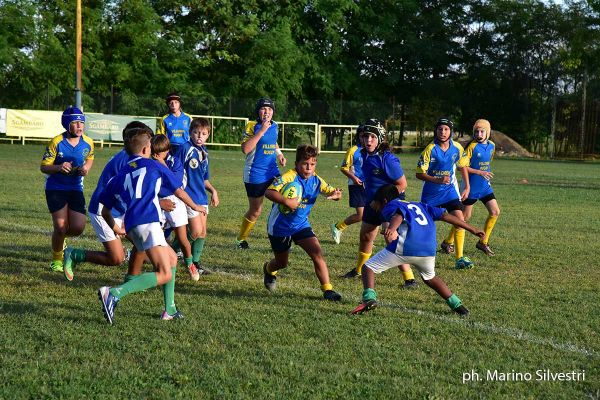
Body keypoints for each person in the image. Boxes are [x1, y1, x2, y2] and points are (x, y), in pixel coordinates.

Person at [97, 128, 206, 323]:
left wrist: (116, 229)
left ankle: (169, 310)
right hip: (148, 221)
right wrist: (195, 206)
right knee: (164, 273)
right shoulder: (154, 165)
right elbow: (178, 190)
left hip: (131, 225)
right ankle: (114, 293)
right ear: (147, 149)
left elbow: (105, 211)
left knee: (172, 259)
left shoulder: (121, 173)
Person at [351, 185, 485, 316]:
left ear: (384, 201)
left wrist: (391, 228)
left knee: (368, 267)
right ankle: (458, 305)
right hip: (428, 250)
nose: (373, 203)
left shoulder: (390, 206)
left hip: (406, 247)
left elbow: (399, 214)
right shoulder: (421, 205)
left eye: (375, 201)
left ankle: (369, 299)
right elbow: (445, 216)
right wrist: (472, 229)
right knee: (430, 278)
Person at [62, 121, 150, 281]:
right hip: (104, 211)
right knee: (116, 258)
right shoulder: (129, 161)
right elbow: (126, 192)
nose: (150, 147)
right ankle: (74, 254)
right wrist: (120, 223)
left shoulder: (132, 157)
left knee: (144, 243)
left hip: (118, 209)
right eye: (148, 142)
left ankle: (131, 279)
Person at [341, 119, 418, 289]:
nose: (368, 140)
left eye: (372, 137)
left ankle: (410, 279)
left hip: (389, 204)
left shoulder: (388, 159)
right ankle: (360, 269)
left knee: (391, 238)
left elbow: (402, 185)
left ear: (380, 138)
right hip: (372, 202)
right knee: (366, 236)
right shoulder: (362, 154)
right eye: (365, 136)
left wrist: (381, 201)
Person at [263, 144, 343, 301]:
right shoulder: (289, 177)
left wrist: (337, 194)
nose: (308, 168)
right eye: (305, 164)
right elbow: (269, 191)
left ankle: (328, 290)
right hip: (280, 226)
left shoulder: (316, 180)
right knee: (281, 262)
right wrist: (287, 201)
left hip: (300, 225)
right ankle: (268, 269)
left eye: (312, 164)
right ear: (297, 164)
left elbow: (333, 191)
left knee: (317, 253)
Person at [40, 106, 94, 272]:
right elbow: (44, 167)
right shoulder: (57, 142)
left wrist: (86, 168)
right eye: (75, 123)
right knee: (61, 226)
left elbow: (90, 157)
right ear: (66, 124)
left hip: (76, 188)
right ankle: (57, 259)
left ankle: (60, 237)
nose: (79, 126)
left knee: (78, 228)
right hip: (56, 188)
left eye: (81, 123)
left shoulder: (88, 142)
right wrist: (58, 167)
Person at [416, 117, 473, 269]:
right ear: (436, 131)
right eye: (440, 129)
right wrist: (437, 180)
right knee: (424, 226)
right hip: (431, 194)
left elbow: (462, 166)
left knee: (459, 219)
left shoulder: (457, 148)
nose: (443, 132)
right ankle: (419, 254)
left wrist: (467, 186)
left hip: (449, 193)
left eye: (446, 129)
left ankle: (460, 258)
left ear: (451, 132)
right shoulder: (430, 149)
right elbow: (419, 174)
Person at [171, 117, 220, 280]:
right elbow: (175, 170)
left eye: (204, 134)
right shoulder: (185, 149)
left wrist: (213, 191)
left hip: (201, 196)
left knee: (202, 233)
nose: (200, 136)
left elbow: (204, 178)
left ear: (208, 135)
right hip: (189, 196)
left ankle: (196, 263)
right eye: (196, 132)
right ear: (190, 133)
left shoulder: (205, 152)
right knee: (196, 231)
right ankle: (175, 249)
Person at [236, 97, 286, 250]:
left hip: (272, 171)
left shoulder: (275, 125)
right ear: (258, 111)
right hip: (255, 173)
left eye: (270, 109)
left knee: (285, 200)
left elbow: (273, 141)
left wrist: (279, 154)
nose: (267, 112)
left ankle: (281, 237)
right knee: (256, 211)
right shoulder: (252, 126)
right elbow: (245, 149)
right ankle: (241, 239)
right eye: (263, 109)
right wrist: (262, 130)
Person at [460, 119, 500, 256]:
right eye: (476, 131)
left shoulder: (492, 146)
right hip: (472, 187)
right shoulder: (471, 147)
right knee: (464, 218)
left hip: (485, 187)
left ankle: (483, 242)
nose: (479, 134)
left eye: (482, 131)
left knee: (495, 212)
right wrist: (479, 172)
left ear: (487, 132)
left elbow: (488, 163)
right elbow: (462, 166)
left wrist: (485, 176)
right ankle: (448, 242)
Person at [330, 125, 366, 244]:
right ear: (359, 136)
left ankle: (368, 238)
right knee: (361, 215)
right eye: (362, 136)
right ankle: (338, 227)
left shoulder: (372, 150)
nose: (365, 139)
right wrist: (354, 178)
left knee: (371, 214)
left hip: (369, 185)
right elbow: (344, 168)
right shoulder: (353, 150)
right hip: (356, 185)